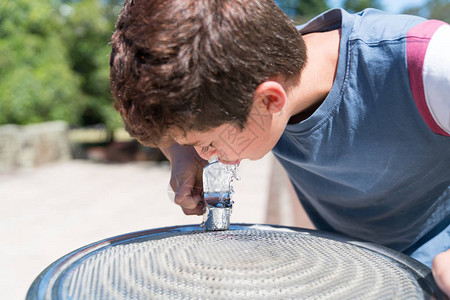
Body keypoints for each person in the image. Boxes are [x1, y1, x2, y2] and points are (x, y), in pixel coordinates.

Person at [109, 0, 450, 295]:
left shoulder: (431, 65)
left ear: (270, 100)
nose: (205, 155)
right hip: (359, 266)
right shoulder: (242, 67)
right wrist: (181, 150)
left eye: (207, 142)